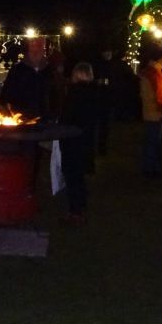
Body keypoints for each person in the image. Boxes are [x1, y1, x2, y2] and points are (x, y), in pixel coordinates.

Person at [58, 62, 101, 225]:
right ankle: (80, 206)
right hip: (86, 139)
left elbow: (67, 116)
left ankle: (75, 212)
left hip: (73, 140)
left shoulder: (75, 93)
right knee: (80, 176)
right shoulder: (94, 92)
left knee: (72, 176)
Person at [138, 46, 162, 177]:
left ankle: (148, 166)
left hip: (149, 112)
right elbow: (159, 96)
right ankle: (151, 168)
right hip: (156, 114)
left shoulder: (148, 72)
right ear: (159, 59)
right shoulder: (155, 74)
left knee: (149, 141)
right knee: (154, 142)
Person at [0, 38, 49, 119]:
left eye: (38, 49)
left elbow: (53, 92)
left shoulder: (48, 70)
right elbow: (8, 90)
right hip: (21, 114)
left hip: (44, 115)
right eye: (32, 50)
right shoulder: (18, 69)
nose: (35, 53)